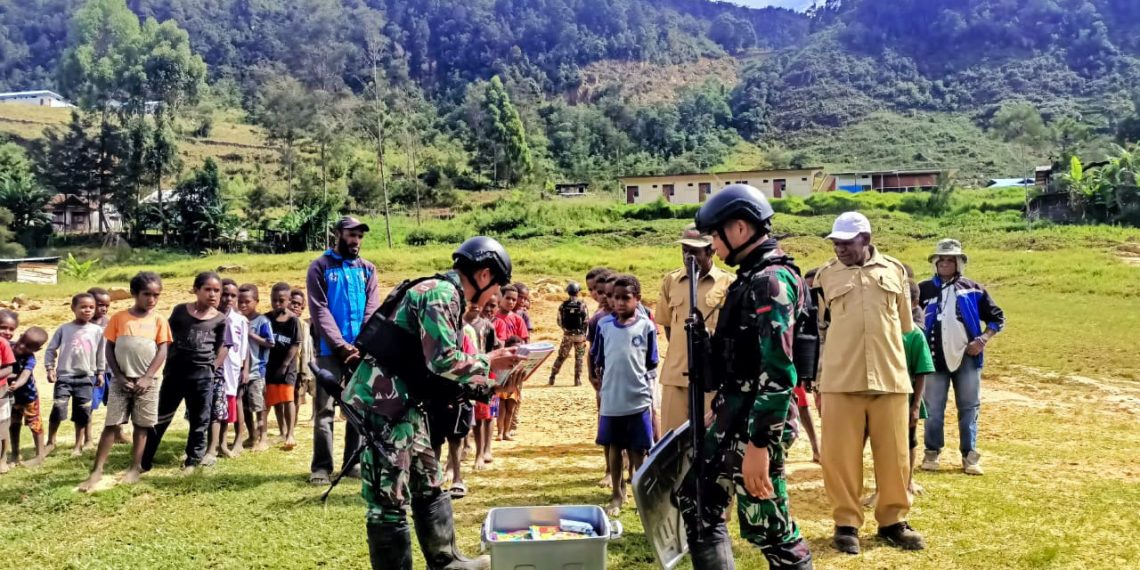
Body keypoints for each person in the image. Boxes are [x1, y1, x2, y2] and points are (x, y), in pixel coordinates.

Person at [348, 236, 522, 570]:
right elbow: (442, 361)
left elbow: (439, 370)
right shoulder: (440, 294)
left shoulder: (448, 296)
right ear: (484, 275)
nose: (495, 295)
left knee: (428, 481)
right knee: (388, 499)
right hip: (383, 405)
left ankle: (447, 562)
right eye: (497, 285)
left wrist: (490, 384)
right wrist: (491, 362)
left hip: (406, 403)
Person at [676, 184, 813, 570]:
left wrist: (759, 446)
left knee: (770, 527)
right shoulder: (750, 277)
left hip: (757, 423)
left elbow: (779, 371)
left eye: (715, 236)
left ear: (739, 229)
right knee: (698, 500)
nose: (713, 246)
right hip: (734, 412)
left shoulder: (771, 281)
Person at [815, 211, 924, 554]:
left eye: (846, 243)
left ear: (866, 239)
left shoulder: (895, 272)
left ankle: (893, 522)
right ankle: (846, 523)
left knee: (894, 455)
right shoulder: (825, 276)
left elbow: (906, 327)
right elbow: (820, 327)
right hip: (840, 378)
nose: (840, 249)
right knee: (840, 456)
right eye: (835, 243)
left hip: (889, 376)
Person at [918, 239, 1005, 476]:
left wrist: (982, 340)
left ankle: (969, 455)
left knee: (968, 407)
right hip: (933, 357)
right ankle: (932, 452)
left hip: (967, 357)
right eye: (941, 259)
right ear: (935, 263)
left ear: (959, 263)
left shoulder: (973, 289)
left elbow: (997, 318)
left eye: (950, 260)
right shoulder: (923, 290)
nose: (945, 263)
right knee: (933, 408)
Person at [80, 272, 171, 491]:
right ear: (134, 294)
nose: (151, 299)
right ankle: (97, 470)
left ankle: (134, 467)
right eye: (146, 294)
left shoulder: (159, 320)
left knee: (142, 425)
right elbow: (109, 348)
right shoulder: (119, 318)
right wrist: (119, 377)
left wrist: (148, 377)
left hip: (148, 384)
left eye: (156, 295)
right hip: (121, 382)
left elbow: (163, 349)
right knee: (111, 424)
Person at [308, 215, 380, 485]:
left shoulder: (368, 269)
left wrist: (360, 345)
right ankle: (321, 467)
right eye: (351, 234)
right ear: (337, 233)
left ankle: (352, 463)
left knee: (356, 409)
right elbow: (319, 309)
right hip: (330, 350)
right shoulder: (320, 267)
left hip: (360, 352)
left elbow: (372, 310)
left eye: (360, 236)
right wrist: (340, 345)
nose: (356, 240)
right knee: (325, 410)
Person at [142, 272, 228, 472]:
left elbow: (221, 346)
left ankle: (193, 461)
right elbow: (167, 338)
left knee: (200, 420)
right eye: (207, 289)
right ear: (196, 290)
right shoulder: (181, 311)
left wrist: (211, 367)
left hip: (202, 378)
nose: (212, 294)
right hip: (175, 374)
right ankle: (144, 459)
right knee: (161, 417)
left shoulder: (220, 319)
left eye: (217, 290)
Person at [591, 274, 659, 517]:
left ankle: (642, 496)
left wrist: (646, 393)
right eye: (615, 298)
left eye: (625, 298)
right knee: (614, 447)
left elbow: (651, 362)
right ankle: (618, 495)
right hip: (612, 399)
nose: (619, 303)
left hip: (638, 399)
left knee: (638, 450)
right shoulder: (603, 325)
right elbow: (598, 358)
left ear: (637, 299)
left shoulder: (647, 326)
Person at [657, 224, 734, 434]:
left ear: (711, 251)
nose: (688, 257)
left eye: (694, 251)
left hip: (711, 378)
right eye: (685, 251)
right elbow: (668, 327)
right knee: (671, 443)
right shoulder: (671, 281)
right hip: (676, 376)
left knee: (710, 439)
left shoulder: (729, 283)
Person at [864, 274, 933, 506]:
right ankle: (880, 489)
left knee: (908, 441)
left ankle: (907, 483)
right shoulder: (877, 329)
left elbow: (922, 370)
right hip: (878, 395)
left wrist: (915, 406)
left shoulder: (914, 334)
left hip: (905, 397)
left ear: (912, 304)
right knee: (880, 444)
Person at [45, 293, 107, 456]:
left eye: (91, 307)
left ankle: (78, 446)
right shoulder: (64, 329)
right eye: (83, 307)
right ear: (73, 308)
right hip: (64, 376)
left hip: (87, 377)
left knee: (82, 412)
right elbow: (51, 349)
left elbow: (101, 353)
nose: (87, 310)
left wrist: (100, 373)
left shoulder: (97, 331)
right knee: (58, 408)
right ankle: (51, 442)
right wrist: (50, 368)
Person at [211, 279, 249, 459]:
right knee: (210, 408)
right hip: (213, 371)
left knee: (226, 409)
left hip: (232, 372)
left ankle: (223, 443)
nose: (228, 298)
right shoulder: (211, 317)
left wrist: (245, 369)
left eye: (233, 295)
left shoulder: (240, 320)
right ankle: (208, 445)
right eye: (225, 294)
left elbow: (244, 349)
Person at [266, 282, 302, 451]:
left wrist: (285, 365)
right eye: (274, 300)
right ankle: (282, 431)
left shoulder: (293, 321)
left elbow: (295, 344)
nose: (277, 304)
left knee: (288, 398)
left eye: (281, 300)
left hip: (287, 366)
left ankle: (291, 433)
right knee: (275, 399)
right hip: (270, 365)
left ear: (288, 300)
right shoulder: (266, 318)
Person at [238, 284, 273, 453]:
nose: (243, 305)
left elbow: (270, 343)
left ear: (256, 301)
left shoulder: (262, 321)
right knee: (245, 407)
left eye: (247, 301)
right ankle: (252, 435)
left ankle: (263, 438)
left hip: (256, 371)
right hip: (239, 372)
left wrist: (250, 334)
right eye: (240, 301)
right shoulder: (237, 320)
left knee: (258, 406)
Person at [8, 327, 49, 467]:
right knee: (13, 424)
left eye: (28, 346)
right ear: (20, 336)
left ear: (36, 350)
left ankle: (40, 455)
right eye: (22, 341)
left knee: (35, 425)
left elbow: (25, 375)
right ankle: (14, 454)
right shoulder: (8, 346)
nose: (22, 346)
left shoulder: (29, 358)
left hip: (28, 397)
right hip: (11, 397)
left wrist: (16, 384)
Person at [492, 285, 526, 441]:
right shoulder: (494, 318)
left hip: (515, 367)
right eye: (508, 298)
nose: (511, 302)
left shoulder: (518, 319)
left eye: (514, 299)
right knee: (499, 401)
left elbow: (525, 341)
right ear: (501, 298)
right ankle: (497, 430)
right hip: (499, 367)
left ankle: (510, 428)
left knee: (513, 400)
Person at [796, 268, 823, 463]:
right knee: (802, 404)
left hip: (818, 361)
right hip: (799, 361)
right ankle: (817, 448)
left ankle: (819, 448)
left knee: (809, 406)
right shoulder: (801, 304)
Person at [471, 294, 499, 471]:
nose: (488, 309)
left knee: (485, 416)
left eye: (492, 305)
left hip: (485, 375)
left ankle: (482, 452)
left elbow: (493, 351)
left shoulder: (488, 327)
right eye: (485, 305)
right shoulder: (463, 325)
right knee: (470, 418)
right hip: (467, 374)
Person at [87, 287, 116, 446]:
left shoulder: (111, 322)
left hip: (111, 369)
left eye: (107, 305)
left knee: (115, 403)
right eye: (99, 305)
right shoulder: (83, 324)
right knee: (88, 405)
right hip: (91, 371)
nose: (103, 308)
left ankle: (118, 432)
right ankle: (88, 438)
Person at [548, 282, 589, 386]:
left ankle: (552, 377)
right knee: (579, 357)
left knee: (561, 357)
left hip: (567, 335)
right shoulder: (582, 304)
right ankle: (577, 379)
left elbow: (559, 321)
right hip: (580, 336)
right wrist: (583, 333)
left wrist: (566, 330)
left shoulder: (563, 305)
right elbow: (586, 320)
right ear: (578, 292)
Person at [289, 289, 316, 423]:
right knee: (294, 395)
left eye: (299, 305)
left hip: (305, 365)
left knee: (312, 392)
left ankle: (313, 416)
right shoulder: (284, 322)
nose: (295, 306)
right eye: (292, 303)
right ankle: (292, 423)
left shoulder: (305, 324)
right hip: (290, 365)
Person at [0, 312, 13, 474]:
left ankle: (2, 460)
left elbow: (9, 368)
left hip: (1, 392)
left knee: (2, 427)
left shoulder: (3, 343)